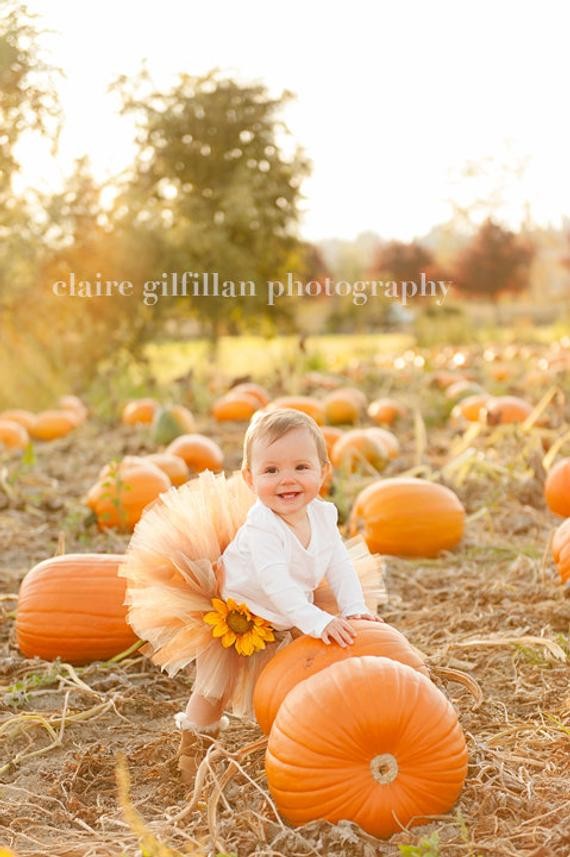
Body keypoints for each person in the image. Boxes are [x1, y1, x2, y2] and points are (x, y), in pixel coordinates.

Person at [120, 409, 385, 782]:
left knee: (300, 676)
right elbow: (276, 583)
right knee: (213, 691)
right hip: (239, 614)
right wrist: (317, 620)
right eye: (271, 471)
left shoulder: (323, 516)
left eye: (301, 468)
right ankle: (192, 754)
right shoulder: (263, 527)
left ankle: (302, 743)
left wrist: (354, 608)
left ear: (324, 472)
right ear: (250, 478)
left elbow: (339, 565)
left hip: (293, 611)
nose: (287, 480)